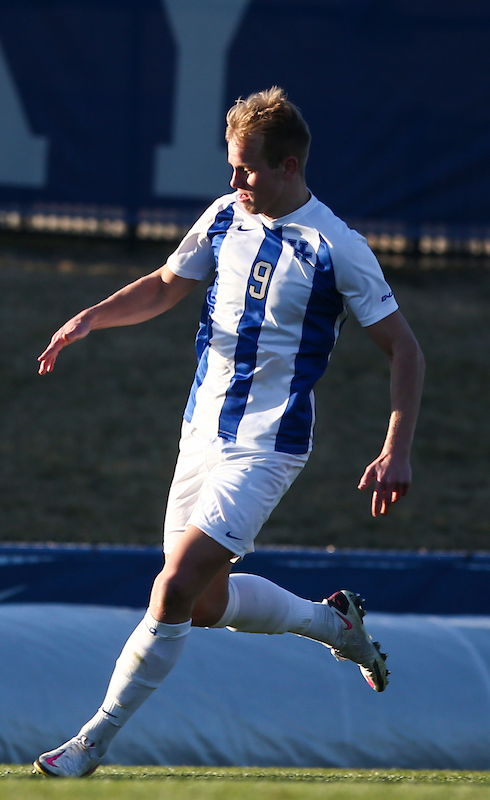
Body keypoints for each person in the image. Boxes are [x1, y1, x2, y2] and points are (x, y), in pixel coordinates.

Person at [31, 87, 425, 778]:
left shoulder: (339, 248)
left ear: (289, 166)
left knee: (174, 588)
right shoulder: (224, 217)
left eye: (246, 168)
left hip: (267, 447)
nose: (233, 181)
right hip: (201, 437)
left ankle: (91, 742)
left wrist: (397, 448)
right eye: (232, 165)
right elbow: (162, 283)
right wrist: (92, 316)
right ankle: (335, 623)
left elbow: (406, 351)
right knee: (205, 605)